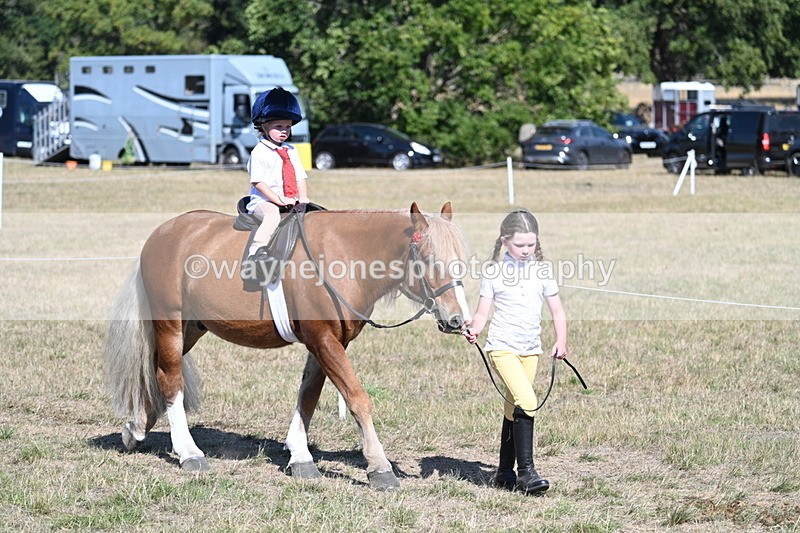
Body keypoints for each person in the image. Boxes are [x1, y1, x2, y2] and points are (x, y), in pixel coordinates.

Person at [463, 209, 568, 494]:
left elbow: (557, 310)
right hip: (502, 347)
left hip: (530, 350)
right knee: (528, 399)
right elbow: (483, 312)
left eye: (530, 244)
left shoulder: (543, 271)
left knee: (515, 407)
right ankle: (527, 472)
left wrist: (561, 340)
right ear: (504, 241)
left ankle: (503, 472)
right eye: (519, 244)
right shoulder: (494, 272)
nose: (525, 250)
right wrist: (474, 327)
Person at [246, 87, 310, 260]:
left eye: (288, 127)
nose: (284, 131)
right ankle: (256, 252)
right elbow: (258, 183)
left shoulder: (292, 150)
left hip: (291, 200)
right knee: (272, 216)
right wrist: (279, 200)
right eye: (279, 126)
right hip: (265, 201)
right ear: (264, 126)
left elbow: (300, 176)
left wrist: (303, 196)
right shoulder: (259, 152)